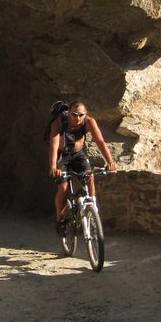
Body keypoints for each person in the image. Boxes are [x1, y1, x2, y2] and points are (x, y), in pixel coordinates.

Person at [48, 98, 116, 235]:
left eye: (81, 115)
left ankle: (92, 209)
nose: (78, 118)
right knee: (63, 187)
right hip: (62, 156)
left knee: (89, 176)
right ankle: (60, 219)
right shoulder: (59, 122)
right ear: (69, 113)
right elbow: (53, 146)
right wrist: (53, 166)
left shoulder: (89, 122)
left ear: (86, 114)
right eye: (74, 114)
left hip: (78, 154)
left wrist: (110, 161)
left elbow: (100, 142)